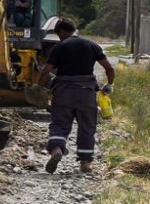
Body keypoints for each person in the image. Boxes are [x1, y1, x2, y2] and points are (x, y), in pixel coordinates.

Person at [42, 17, 115, 173]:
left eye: (58, 34)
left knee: (59, 123)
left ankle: (56, 150)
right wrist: (109, 85)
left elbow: (46, 70)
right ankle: (85, 163)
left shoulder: (59, 47)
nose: (59, 38)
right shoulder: (91, 45)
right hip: (86, 92)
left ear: (62, 32)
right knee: (87, 126)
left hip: (63, 92)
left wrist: (37, 86)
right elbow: (109, 68)